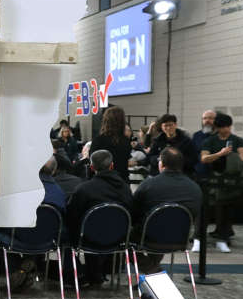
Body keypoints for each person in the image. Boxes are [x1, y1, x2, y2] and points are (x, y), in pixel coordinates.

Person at [65, 149, 133, 285]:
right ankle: (103, 270)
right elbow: (131, 213)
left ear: (91, 167)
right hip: (118, 237)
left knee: (67, 233)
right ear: (112, 166)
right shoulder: (125, 188)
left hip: (88, 239)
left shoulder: (84, 189)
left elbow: (71, 216)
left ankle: (79, 273)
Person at [131, 147, 203, 272]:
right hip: (180, 238)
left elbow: (134, 213)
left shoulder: (148, 185)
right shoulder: (195, 188)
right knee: (160, 226)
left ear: (162, 164)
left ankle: (154, 271)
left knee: (122, 239)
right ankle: (153, 275)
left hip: (149, 237)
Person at [197, 112, 243, 253]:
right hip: (212, 180)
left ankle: (223, 238)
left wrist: (227, 156)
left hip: (230, 182)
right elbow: (204, 158)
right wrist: (220, 154)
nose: (224, 130)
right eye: (221, 127)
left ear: (230, 126)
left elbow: (242, 157)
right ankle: (198, 238)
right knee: (205, 210)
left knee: (225, 211)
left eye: (226, 126)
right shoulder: (210, 141)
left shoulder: (238, 140)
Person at [89, 105, 131, 185]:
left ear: (106, 120)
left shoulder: (99, 140)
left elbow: (92, 162)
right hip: (121, 182)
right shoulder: (125, 141)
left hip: (101, 182)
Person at [191, 109, 216, 179]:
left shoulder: (221, 136)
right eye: (204, 118)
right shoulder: (196, 135)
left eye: (210, 118)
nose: (207, 120)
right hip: (198, 174)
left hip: (216, 175)